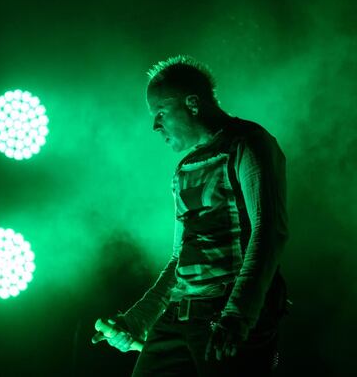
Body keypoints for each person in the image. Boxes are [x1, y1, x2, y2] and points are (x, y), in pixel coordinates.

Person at [97, 54, 290, 376]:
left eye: (160, 112)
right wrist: (137, 319)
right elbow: (180, 258)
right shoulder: (184, 169)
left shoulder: (248, 144)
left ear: (192, 103)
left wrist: (237, 316)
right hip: (182, 314)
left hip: (227, 308)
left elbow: (268, 232)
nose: (155, 125)